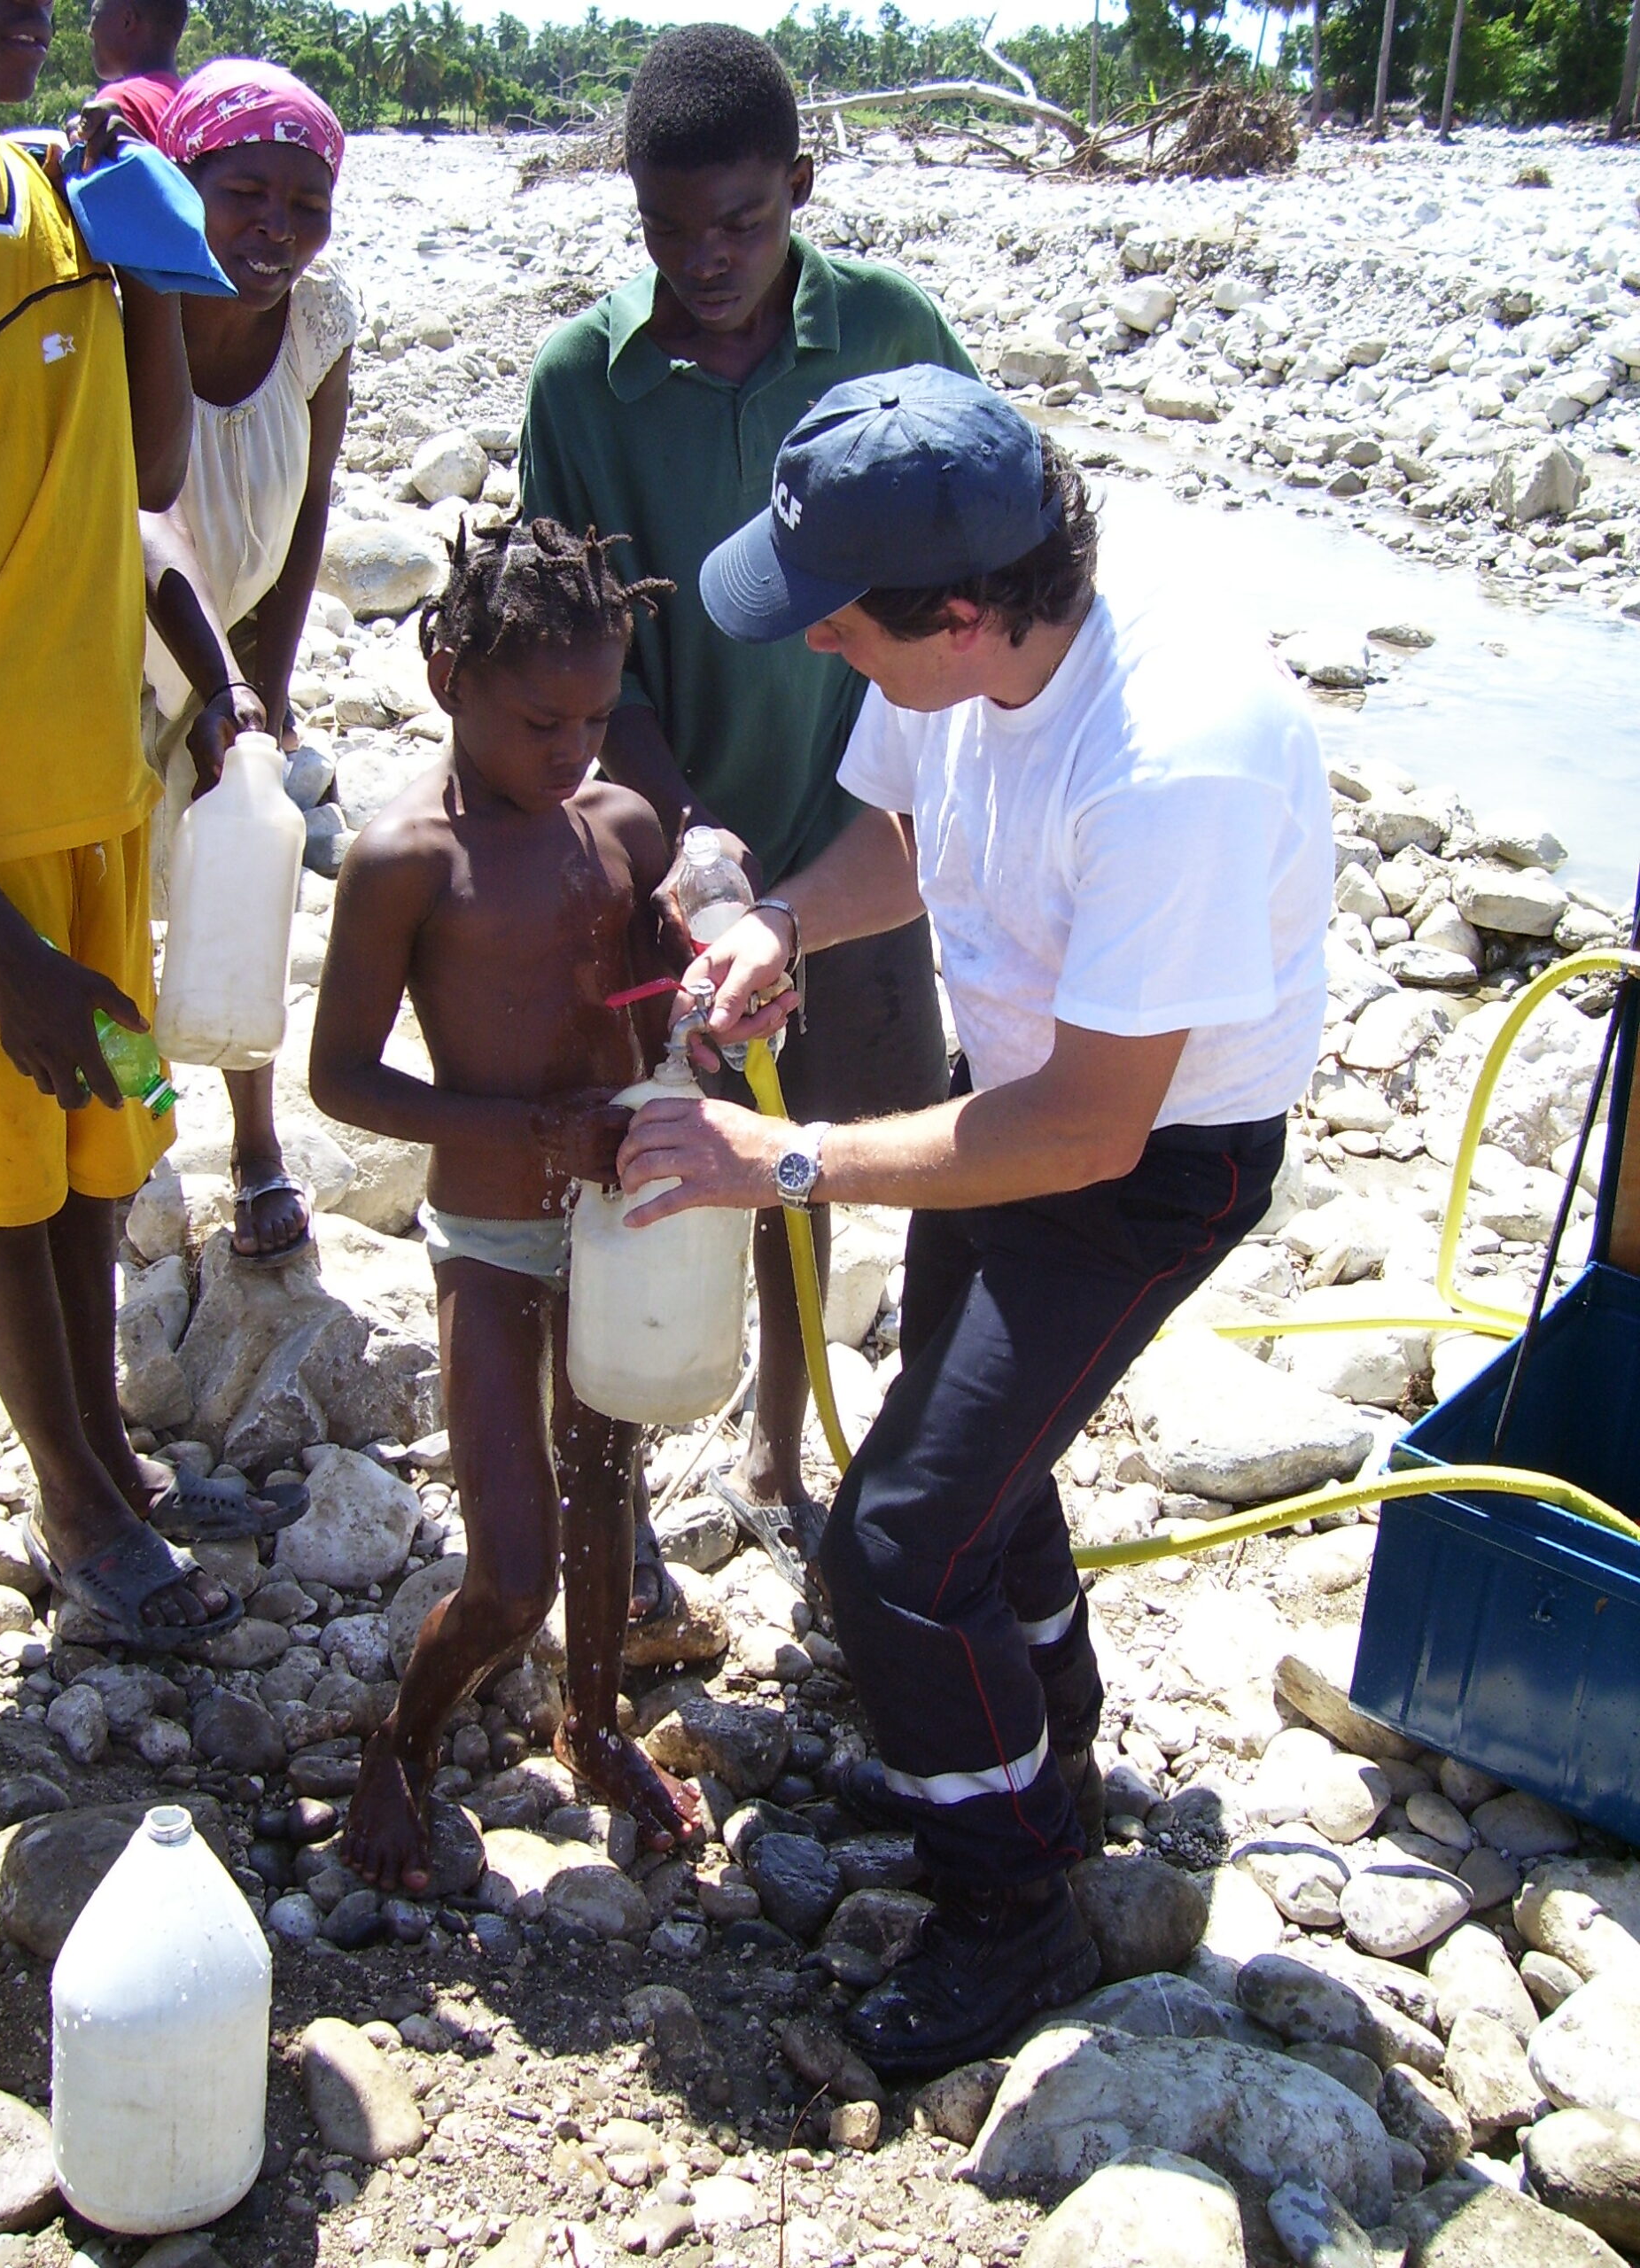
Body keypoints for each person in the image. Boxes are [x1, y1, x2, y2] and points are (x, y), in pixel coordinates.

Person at [617, 366, 1333, 2076]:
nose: (812, 649)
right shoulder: (960, 653)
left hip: (1154, 1152)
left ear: (956, 612)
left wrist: (779, 1163)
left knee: (894, 1547)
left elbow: (1088, 1132)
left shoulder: (1174, 758)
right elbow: (906, 835)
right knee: (980, 1479)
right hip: (1012, 1071)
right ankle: (1047, 1756)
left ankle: (1013, 1912)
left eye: (837, 624)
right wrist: (785, 919)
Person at [518, 23, 975, 1620]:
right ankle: (619, 1508)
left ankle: (789, 1457)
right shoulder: (587, 380)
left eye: (740, 224)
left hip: (869, 854)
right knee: (642, 1175)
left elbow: (960, 583)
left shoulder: (893, 329)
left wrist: (840, 856)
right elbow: (584, 649)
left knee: (834, 1161)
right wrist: (688, 843)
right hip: (659, 853)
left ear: (799, 184)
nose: (705, 263)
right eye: (667, 232)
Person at [309, 521, 700, 1891]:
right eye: (542, 720)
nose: (575, 751)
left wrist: (701, 960)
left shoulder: (619, 827)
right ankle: (399, 1744)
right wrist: (531, 1126)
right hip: (490, 1233)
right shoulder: (407, 859)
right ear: (444, 677)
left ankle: (591, 1725)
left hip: (609, 1229)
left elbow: (664, 994)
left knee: (604, 1487)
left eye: (597, 718)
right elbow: (343, 1078)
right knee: (513, 1567)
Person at [0, 0, 242, 1646]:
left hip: (100, 807)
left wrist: (140, 261)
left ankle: (107, 1437)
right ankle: (66, 1490)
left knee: (106, 1126)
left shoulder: (55, 198)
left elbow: (148, 468)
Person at [138, 58, 355, 1269]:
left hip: (235, 673)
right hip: (118, 661)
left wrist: (266, 685)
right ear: (187, 183)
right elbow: (135, 510)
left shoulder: (318, 324)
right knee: (112, 923)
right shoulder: (137, 306)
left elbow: (312, 502)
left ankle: (258, 1144)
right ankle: (142, 1118)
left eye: (305, 204)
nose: (277, 227)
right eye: (245, 192)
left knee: (246, 901)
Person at [87, 0, 185, 141]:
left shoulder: (121, 101)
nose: (90, 31)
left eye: (95, 16)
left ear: (127, 20)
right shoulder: (192, 104)